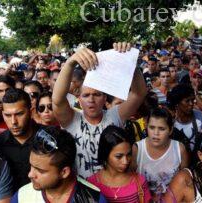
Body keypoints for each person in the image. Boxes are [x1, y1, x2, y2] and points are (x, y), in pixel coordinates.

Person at [52, 42, 147, 179]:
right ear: (79, 99)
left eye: (97, 94)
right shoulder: (72, 119)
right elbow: (57, 99)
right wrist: (70, 62)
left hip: (113, 190)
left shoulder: (115, 115)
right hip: (83, 192)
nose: (91, 99)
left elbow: (139, 93)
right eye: (86, 95)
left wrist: (129, 61)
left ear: (104, 98)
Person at [11, 126, 107, 203]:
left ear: (64, 172)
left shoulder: (94, 199)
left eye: (40, 170)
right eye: (31, 166)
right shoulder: (22, 197)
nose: (30, 174)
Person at [132, 108, 189, 200]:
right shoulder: (138, 149)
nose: (156, 133)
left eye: (161, 129)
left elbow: (185, 181)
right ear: (146, 127)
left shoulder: (179, 149)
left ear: (170, 130)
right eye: (152, 127)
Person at [0, 88, 40, 191]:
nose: (13, 121)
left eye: (19, 114)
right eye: (8, 115)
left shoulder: (48, 138)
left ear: (31, 111)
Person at [88, 125, 152, 202]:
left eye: (128, 154)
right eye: (119, 156)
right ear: (105, 154)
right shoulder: (91, 184)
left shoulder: (139, 182)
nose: (125, 161)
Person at [167, 84, 202, 150]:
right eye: (187, 101)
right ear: (177, 102)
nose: (191, 104)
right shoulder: (170, 121)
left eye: (192, 100)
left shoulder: (200, 116)